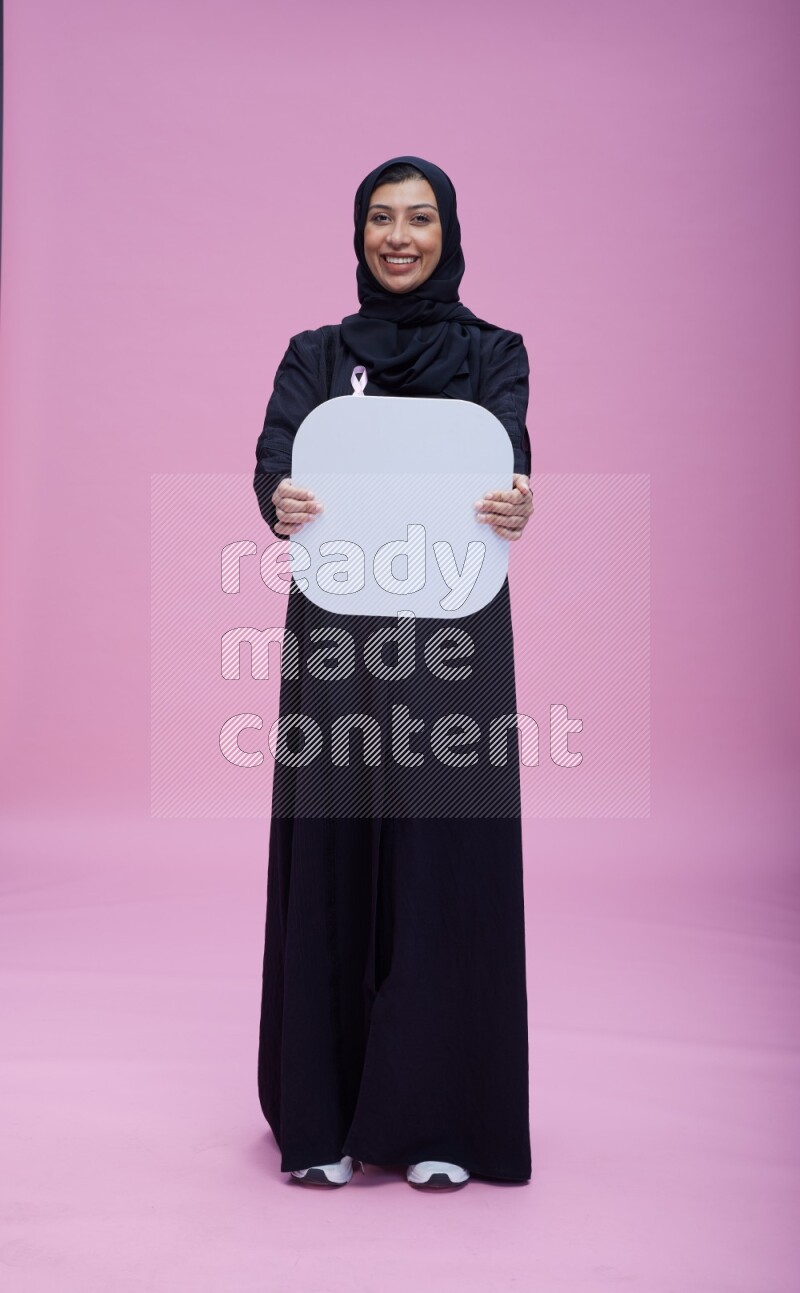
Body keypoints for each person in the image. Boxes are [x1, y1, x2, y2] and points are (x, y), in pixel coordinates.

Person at [253, 155, 534, 1191]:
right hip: (338, 631)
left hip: (452, 636)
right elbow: (275, 460)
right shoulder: (314, 354)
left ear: (447, 230)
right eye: (381, 218)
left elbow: (506, 453)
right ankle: (321, 1120)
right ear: (359, 233)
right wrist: (278, 498)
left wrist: (515, 497)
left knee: (442, 861)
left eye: (420, 219)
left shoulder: (492, 350)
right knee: (333, 847)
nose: (400, 237)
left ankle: (441, 1120)